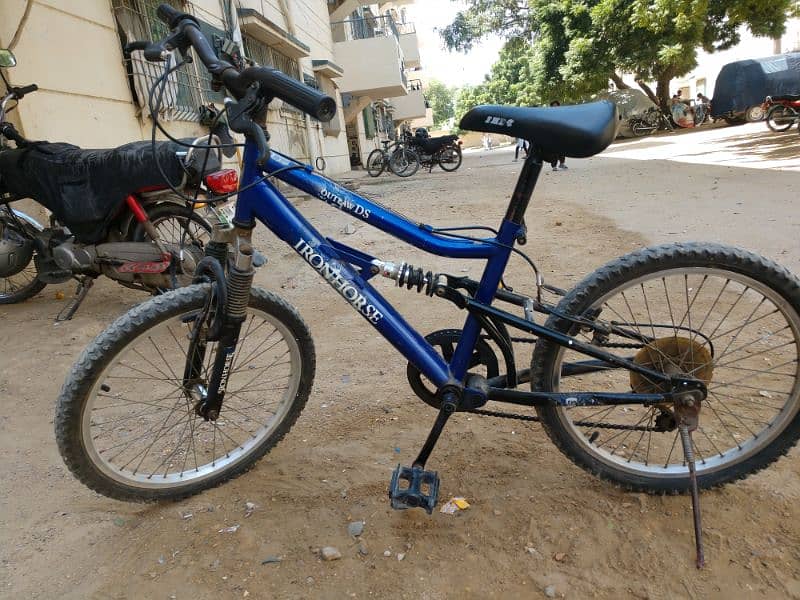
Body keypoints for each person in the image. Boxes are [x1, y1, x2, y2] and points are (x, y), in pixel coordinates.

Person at [549, 101, 567, 171]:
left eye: (556, 105)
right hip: (553, 135)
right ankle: (554, 166)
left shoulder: (561, 113)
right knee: (554, 151)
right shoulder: (549, 114)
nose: (555, 106)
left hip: (561, 134)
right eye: (554, 105)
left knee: (562, 149)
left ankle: (562, 163)